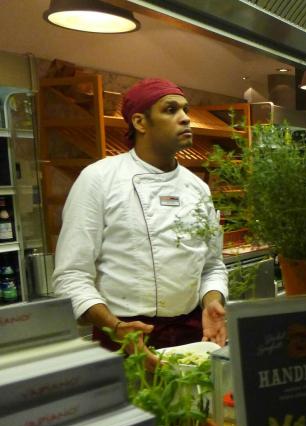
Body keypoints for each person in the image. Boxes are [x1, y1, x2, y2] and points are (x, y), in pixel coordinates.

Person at [53, 78, 229, 360]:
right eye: (170, 110)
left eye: (185, 109)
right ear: (140, 122)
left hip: (192, 334)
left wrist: (211, 301)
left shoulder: (197, 188)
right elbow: (71, 275)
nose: (185, 118)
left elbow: (211, 266)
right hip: (123, 337)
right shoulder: (99, 179)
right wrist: (116, 327)